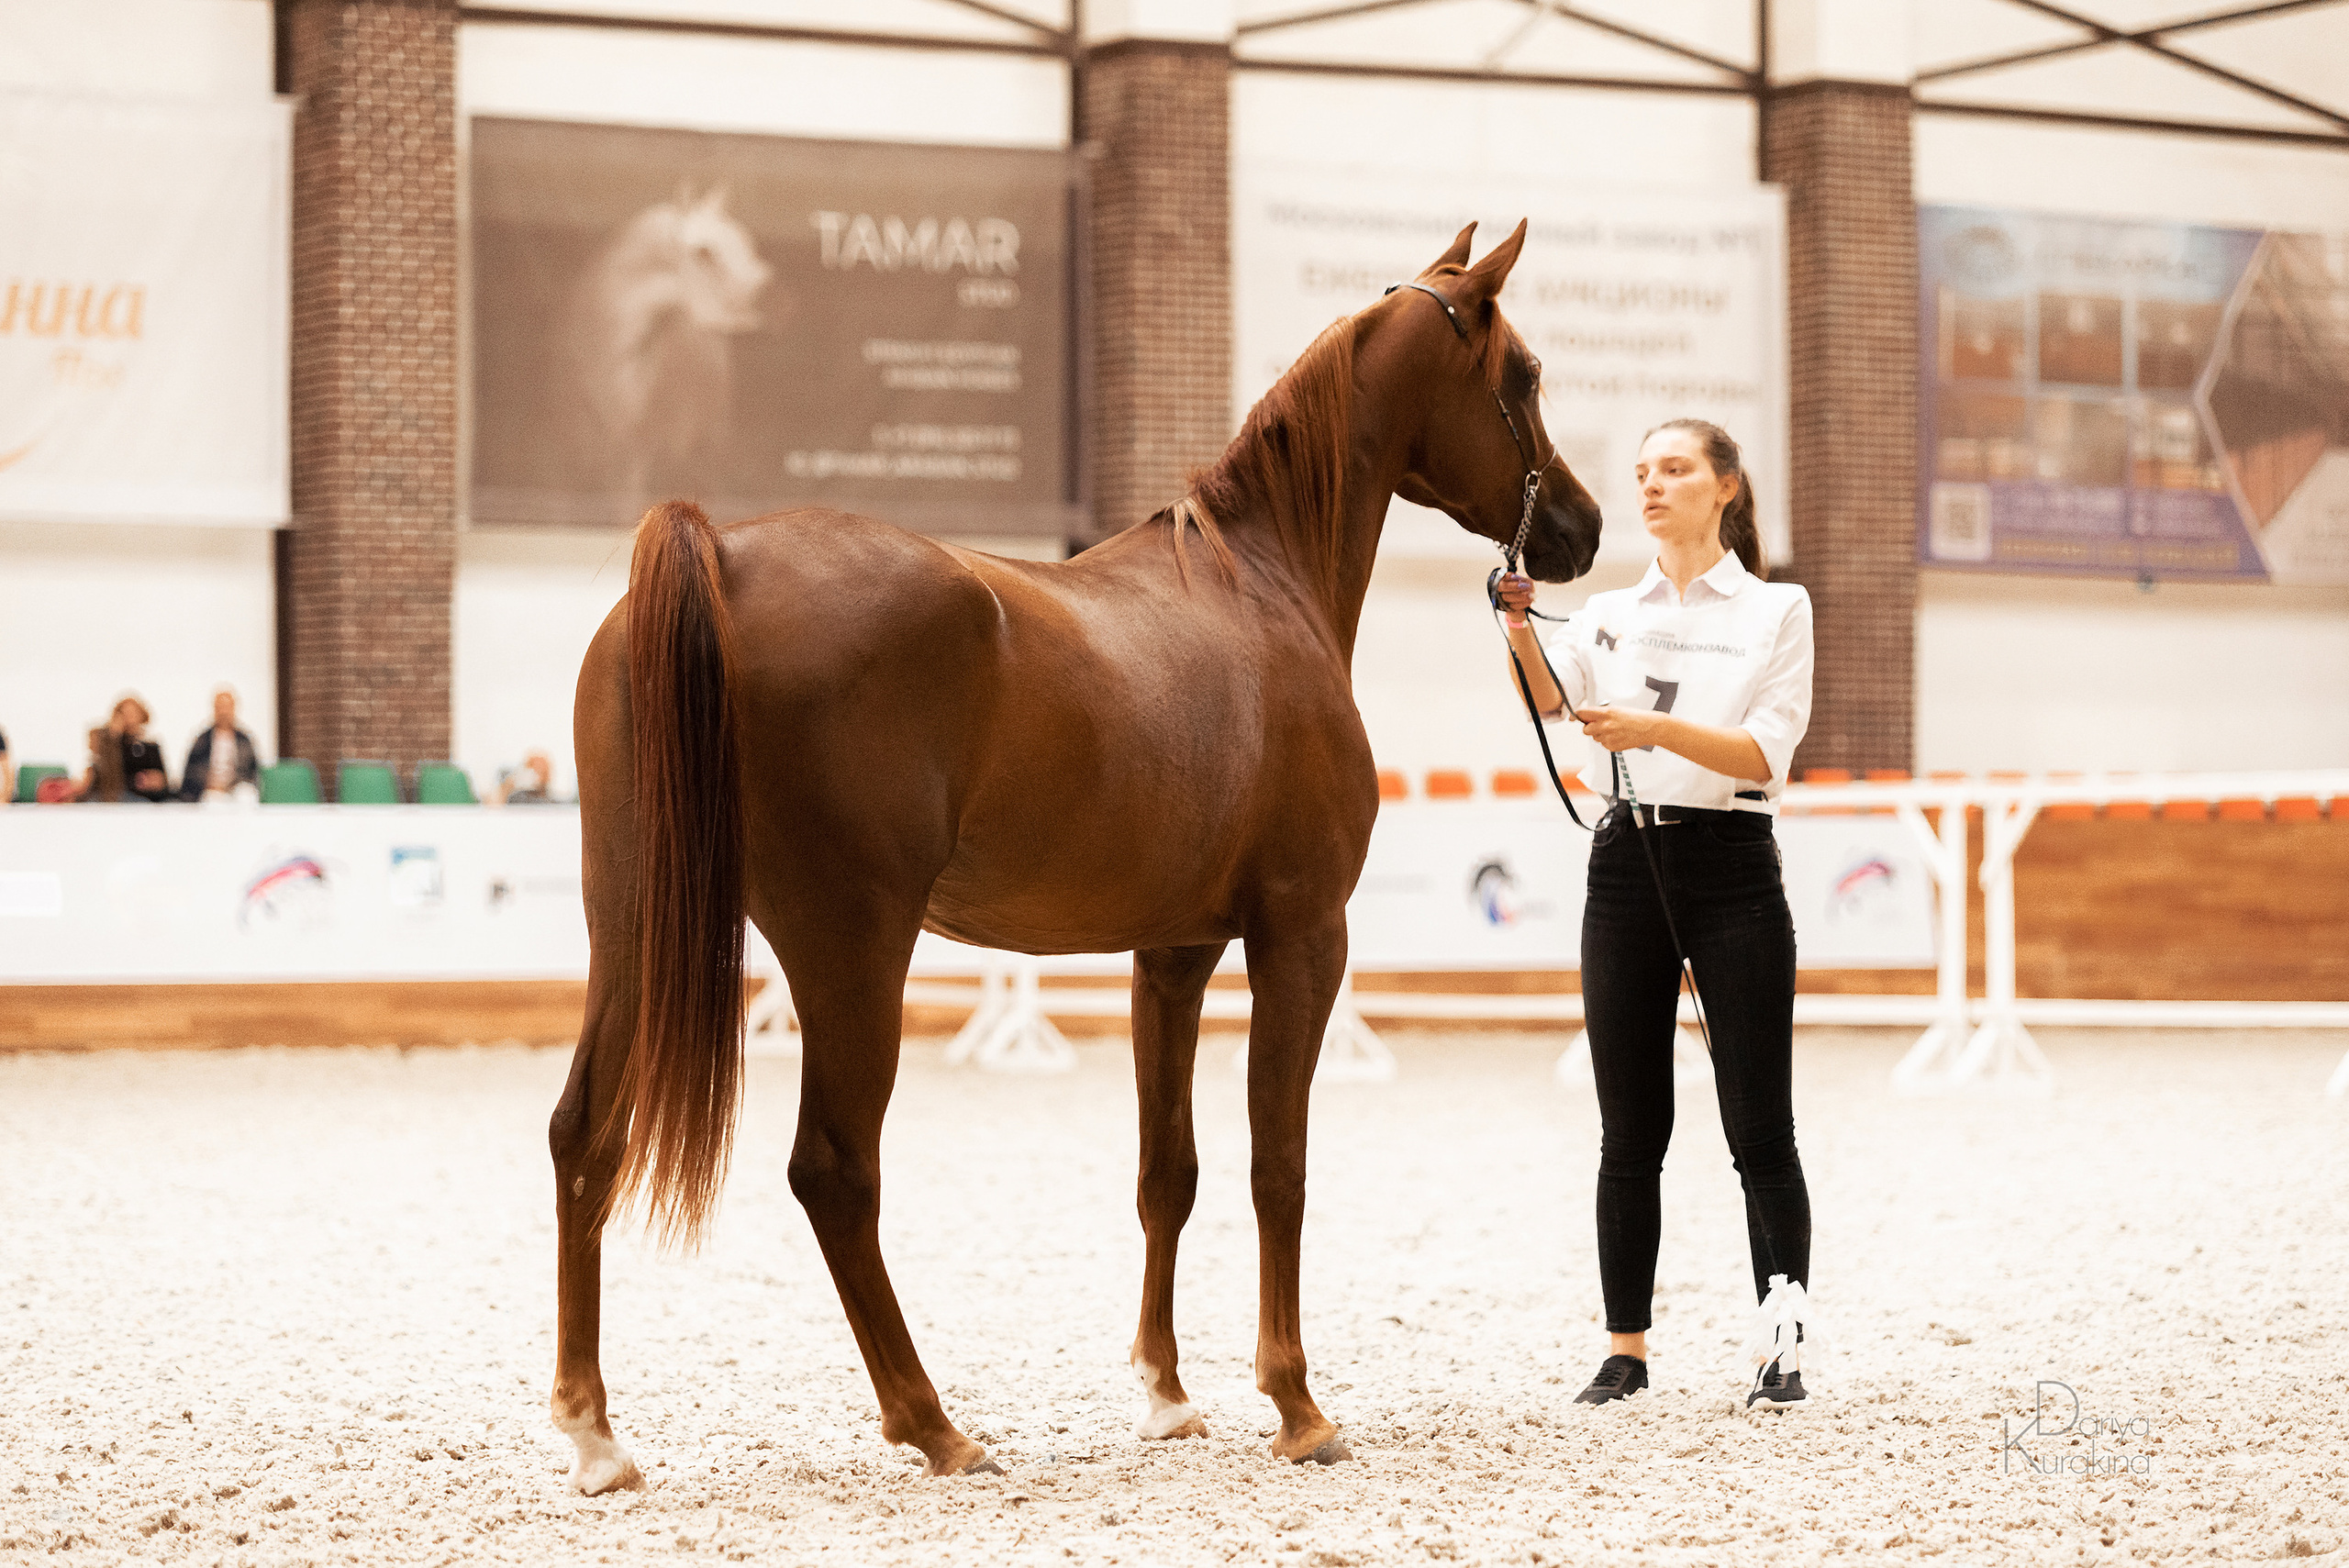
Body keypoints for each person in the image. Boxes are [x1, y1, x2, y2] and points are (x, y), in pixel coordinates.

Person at [1495, 418, 1819, 1410]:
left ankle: (1780, 1342)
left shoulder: (1777, 609)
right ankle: (1624, 1348)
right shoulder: (1604, 612)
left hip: (1731, 865)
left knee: (1758, 1124)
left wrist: (1650, 728)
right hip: (1625, 862)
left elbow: (1764, 752)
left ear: (1724, 485)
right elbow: (1556, 702)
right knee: (1628, 1129)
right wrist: (1519, 626)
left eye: (1674, 469)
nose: (1651, 485)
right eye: (1640, 472)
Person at [77, 695, 172, 803]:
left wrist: (155, 781)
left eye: (133, 713)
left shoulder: (150, 746)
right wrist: (113, 737)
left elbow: (163, 781)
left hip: (143, 798)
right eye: (124, 714)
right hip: (113, 796)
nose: (129, 718)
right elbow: (105, 771)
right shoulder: (109, 742)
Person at [180, 686, 262, 802]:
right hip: (211, 789)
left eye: (227, 707)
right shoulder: (202, 740)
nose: (224, 712)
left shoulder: (244, 740)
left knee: (247, 796)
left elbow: (253, 771)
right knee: (212, 801)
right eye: (220, 707)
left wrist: (232, 783)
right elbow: (192, 771)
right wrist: (209, 782)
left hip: (238, 787)